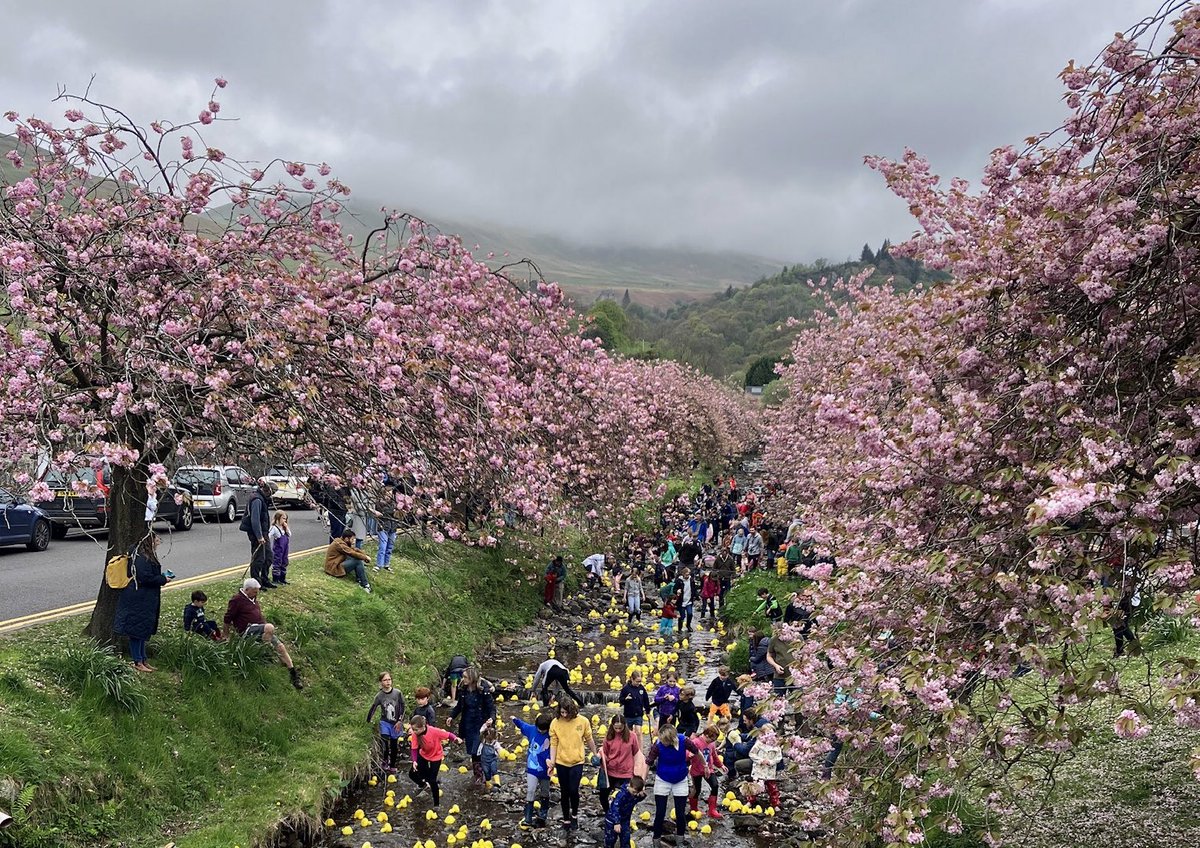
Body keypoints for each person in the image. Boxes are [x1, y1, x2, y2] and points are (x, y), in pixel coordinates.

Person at [222, 578, 303, 689]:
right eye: (255, 592)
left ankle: (293, 673)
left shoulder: (253, 598)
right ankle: (265, 653)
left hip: (261, 629)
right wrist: (226, 635)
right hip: (247, 630)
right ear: (247, 589)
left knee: (281, 647)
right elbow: (227, 618)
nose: (257, 594)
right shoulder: (237, 600)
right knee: (270, 627)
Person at [114, 534, 174, 672]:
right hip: (138, 598)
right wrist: (162, 579)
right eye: (157, 540)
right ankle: (138, 661)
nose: (158, 543)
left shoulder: (142, 554)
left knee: (141, 630)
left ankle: (143, 659)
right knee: (136, 631)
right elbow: (145, 577)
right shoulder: (141, 557)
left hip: (143, 598)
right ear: (150, 541)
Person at [547, 699, 597, 832]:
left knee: (574, 790)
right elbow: (554, 743)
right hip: (561, 761)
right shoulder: (555, 723)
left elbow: (589, 738)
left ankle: (574, 814)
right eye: (562, 712)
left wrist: (595, 753)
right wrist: (552, 762)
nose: (564, 715)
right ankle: (566, 818)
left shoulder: (583, 721)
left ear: (572, 711)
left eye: (566, 713)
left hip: (577, 761)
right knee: (564, 791)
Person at [646, 724, 700, 845]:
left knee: (680, 813)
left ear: (671, 739)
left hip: (680, 779)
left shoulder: (684, 741)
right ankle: (656, 841)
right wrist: (643, 782)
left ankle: (680, 841)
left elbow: (697, 752)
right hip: (662, 779)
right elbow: (648, 762)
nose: (662, 742)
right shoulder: (657, 745)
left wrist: (705, 766)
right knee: (660, 812)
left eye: (664, 741)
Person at [450, 667, 496, 787]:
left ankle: (483, 774)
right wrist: (451, 716)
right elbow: (459, 706)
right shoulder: (463, 689)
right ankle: (478, 774)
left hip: (481, 725)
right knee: (472, 751)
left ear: (472, 678)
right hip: (468, 724)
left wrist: (492, 718)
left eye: (465, 677)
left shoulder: (483, 690)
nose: (463, 679)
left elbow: (491, 707)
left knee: (477, 750)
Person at [408, 714, 459, 808]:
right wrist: (414, 761)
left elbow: (448, 735)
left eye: (415, 729)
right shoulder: (415, 734)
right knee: (412, 774)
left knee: (432, 780)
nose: (413, 731)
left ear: (423, 727)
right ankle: (424, 785)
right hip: (423, 754)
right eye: (413, 729)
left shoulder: (433, 731)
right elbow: (414, 749)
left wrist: (455, 738)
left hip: (436, 756)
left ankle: (436, 805)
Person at [512, 712, 553, 829]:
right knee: (530, 790)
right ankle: (528, 817)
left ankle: (543, 814)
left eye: (543, 730)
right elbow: (523, 725)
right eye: (539, 729)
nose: (541, 731)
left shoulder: (552, 735)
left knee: (545, 792)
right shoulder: (532, 730)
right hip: (532, 768)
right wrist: (515, 719)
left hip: (546, 770)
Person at [599, 715, 642, 810]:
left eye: (620, 728)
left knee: (626, 798)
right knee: (603, 795)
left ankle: (622, 815)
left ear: (624, 726)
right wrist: (600, 758)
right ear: (612, 726)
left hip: (626, 772)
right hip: (610, 771)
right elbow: (605, 752)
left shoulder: (632, 736)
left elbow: (636, 753)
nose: (618, 730)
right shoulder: (608, 737)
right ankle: (608, 812)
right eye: (616, 728)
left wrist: (638, 772)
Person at [239, 479, 277, 589]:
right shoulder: (257, 500)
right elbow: (255, 520)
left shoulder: (262, 498)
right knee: (258, 558)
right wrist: (259, 536)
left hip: (263, 531)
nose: (273, 495)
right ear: (268, 490)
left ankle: (264, 579)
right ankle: (256, 582)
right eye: (273, 492)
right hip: (256, 533)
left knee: (268, 556)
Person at [368, 671, 407, 774]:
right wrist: (368, 720)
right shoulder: (379, 696)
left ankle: (392, 765)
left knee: (394, 745)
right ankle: (385, 761)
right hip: (384, 722)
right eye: (385, 680)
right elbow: (373, 707)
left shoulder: (397, 693)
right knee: (384, 742)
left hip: (395, 723)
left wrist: (400, 721)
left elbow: (403, 707)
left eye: (389, 679)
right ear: (381, 682)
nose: (388, 682)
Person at [688, 725, 724, 820]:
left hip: (709, 769)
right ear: (706, 735)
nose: (712, 742)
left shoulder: (711, 744)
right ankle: (694, 808)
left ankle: (712, 810)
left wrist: (721, 765)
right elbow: (686, 753)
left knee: (715, 785)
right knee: (697, 789)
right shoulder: (695, 742)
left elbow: (714, 756)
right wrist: (689, 755)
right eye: (712, 739)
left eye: (714, 740)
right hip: (696, 770)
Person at [323, 528, 373, 593]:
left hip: (336, 564)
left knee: (356, 558)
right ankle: (365, 585)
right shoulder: (339, 545)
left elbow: (354, 550)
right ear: (347, 539)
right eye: (352, 539)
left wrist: (364, 555)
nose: (353, 541)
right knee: (357, 561)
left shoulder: (342, 542)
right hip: (333, 568)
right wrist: (365, 557)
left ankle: (359, 579)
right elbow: (351, 553)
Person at [603, 774, 646, 848]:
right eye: (634, 792)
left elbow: (637, 799)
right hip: (612, 820)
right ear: (630, 785)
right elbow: (615, 808)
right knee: (610, 840)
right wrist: (616, 822)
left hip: (625, 820)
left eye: (636, 793)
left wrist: (643, 795)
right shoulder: (621, 795)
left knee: (626, 839)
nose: (635, 794)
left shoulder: (634, 794)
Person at [747, 723, 782, 808]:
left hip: (770, 771)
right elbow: (752, 754)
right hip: (759, 770)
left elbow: (779, 757)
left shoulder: (776, 746)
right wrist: (761, 761)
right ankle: (750, 801)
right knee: (755, 786)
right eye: (767, 733)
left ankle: (775, 803)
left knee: (772, 788)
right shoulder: (759, 744)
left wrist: (771, 762)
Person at [373, 485, 399, 572]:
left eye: (390, 494)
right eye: (387, 494)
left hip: (393, 527)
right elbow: (384, 512)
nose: (389, 496)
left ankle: (386, 564)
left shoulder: (395, 503)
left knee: (390, 547)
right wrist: (393, 511)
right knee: (382, 547)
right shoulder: (380, 503)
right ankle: (379, 564)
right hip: (383, 527)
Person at [478, 722, 504, 790]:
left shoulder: (495, 743)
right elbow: (480, 731)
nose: (490, 741)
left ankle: (497, 783)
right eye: (488, 739)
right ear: (485, 737)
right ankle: (488, 785)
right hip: (484, 761)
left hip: (493, 759)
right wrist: (485, 725)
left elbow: (499, 748)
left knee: (494, 770)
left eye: (491, 739)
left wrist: (501, 753)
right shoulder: (483, 741)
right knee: (486, 773)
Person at [269, 510, 291, 585]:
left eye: (285, 519)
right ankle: (276, 578)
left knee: (284, 561)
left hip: (285, 548)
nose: (284, 520)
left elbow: (289, 534)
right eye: (283, 518)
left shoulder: (284, 528)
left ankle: (282, 578)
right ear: (278, 518)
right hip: (278, 549)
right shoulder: (274, 528)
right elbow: (269, 535)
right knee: (277, 562)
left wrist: (286, 527)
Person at [674, 567, 696, 632]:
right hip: (681, 601)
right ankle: (680, 628)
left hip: (689, 601)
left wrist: (696, 596)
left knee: (690, 613)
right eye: (686, 575)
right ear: (683, 574)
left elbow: (694, 589)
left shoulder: (691, 580)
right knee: (682, 616)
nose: (687, 576)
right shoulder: (679, 581)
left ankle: (688, 625)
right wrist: (677, 591)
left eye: (688, 574)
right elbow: (674, 590)